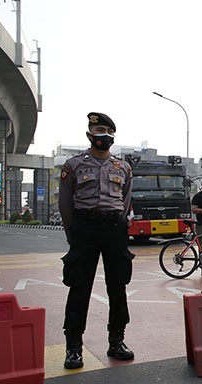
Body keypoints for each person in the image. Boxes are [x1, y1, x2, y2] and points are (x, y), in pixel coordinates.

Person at [58, 112, 135, 369]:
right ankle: (74, 347)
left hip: (114, 228)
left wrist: (119, 224)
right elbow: (66, 202)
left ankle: (116, 341)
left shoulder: (122, 167)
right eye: (99, 130)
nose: (105, 135)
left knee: (118, 285)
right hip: (85, 228)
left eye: (109, 131)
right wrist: (73, 234)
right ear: (89, 134)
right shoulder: (74, 165)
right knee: (79, 287)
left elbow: (125, 201)